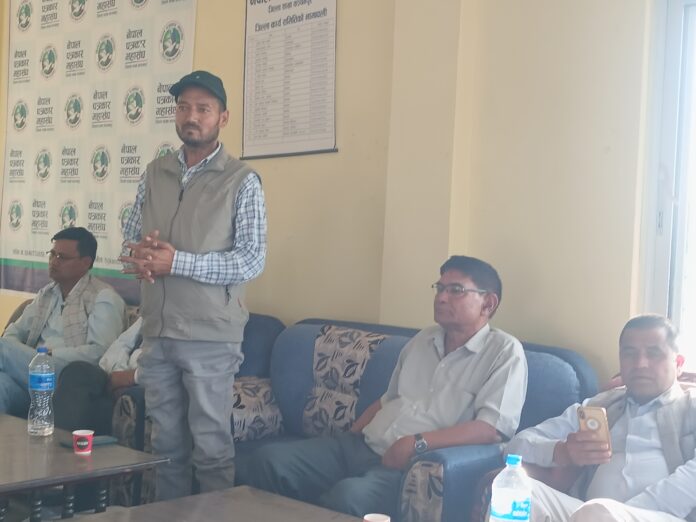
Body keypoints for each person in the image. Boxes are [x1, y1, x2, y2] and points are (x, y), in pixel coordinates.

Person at [247, 255, 528, 518]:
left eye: (456, 290)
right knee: (268, 460)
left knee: (349, 497)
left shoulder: (504, 352)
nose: (441, 297)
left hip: (409, 466)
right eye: (439, 288)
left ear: (488, 303)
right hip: (361, 445)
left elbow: (492, 429)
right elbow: (389, 399)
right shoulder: (423, 340)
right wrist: (352, 434)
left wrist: (417, 442)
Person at [119, 70, 267, 500]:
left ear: (223, 118)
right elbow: (130, 236)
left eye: (203, 108)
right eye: (184, 107)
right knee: (164, 448)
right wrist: (139, 257)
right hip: (158, 330)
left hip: (210, 336)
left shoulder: (241, 180)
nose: (192, 116)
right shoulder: (155, 172)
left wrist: (176, 262)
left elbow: (251, 260)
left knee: (211, 451)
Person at [505, 314, 696, 522]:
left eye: (653, 353)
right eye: (630, 353)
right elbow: (516, 445)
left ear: (678, 363)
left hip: (660, 517)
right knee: (518, 491)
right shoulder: (598, 406)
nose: (640, 363)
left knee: (598, 512)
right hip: (586, 513)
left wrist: (617, 513)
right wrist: (561, 451)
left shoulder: (690, 407)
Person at [0, 227, 126, 416]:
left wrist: (47, 356)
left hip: (65, 378)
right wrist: (21, 357)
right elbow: (13, 332)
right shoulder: (47, 293)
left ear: (85, 262)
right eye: (52, 254)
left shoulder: (103, 297)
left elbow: (100, 353)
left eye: (62, 257)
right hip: (32, 376)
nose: (54, 261)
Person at [54, 317, 142, 435]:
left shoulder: (167, 319)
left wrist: (132, 377)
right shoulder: (151, 314)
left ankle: (61, 443)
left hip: (144, 382)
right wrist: (118, 375)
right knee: (77, 372)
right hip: (115, 374)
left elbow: (163, 368)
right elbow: (121, 345)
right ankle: (59, 441)